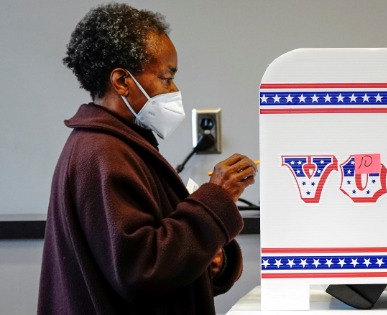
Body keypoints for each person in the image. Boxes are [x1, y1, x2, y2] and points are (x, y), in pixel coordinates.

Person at [37, 3, 257, 314]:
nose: (174, 89)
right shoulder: (102, 153)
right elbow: (142, 270)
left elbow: (148, 252)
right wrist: (216, 198)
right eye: (166, 78)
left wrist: (209, 256)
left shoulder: (117, 146)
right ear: (122, 81)